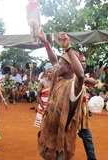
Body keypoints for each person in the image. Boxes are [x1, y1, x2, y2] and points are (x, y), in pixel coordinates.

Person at [37, 31, 84, 160]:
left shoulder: (74, 85)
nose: (58, 66)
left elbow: (81, 76)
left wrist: (67, 47)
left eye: (62, 64)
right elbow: (53, 60)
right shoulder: (59, 80)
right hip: (49, 135)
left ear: (70, 67)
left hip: (61, 142)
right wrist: (45, 43)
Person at [78, 54, 97, 160]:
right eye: (81, 61)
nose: (83, 63)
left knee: (87, 137)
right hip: (70, 114)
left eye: (84, 61)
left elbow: (93, 83)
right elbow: (92, 82)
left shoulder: (83, 76)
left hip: (81, 114)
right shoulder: (74, 76)